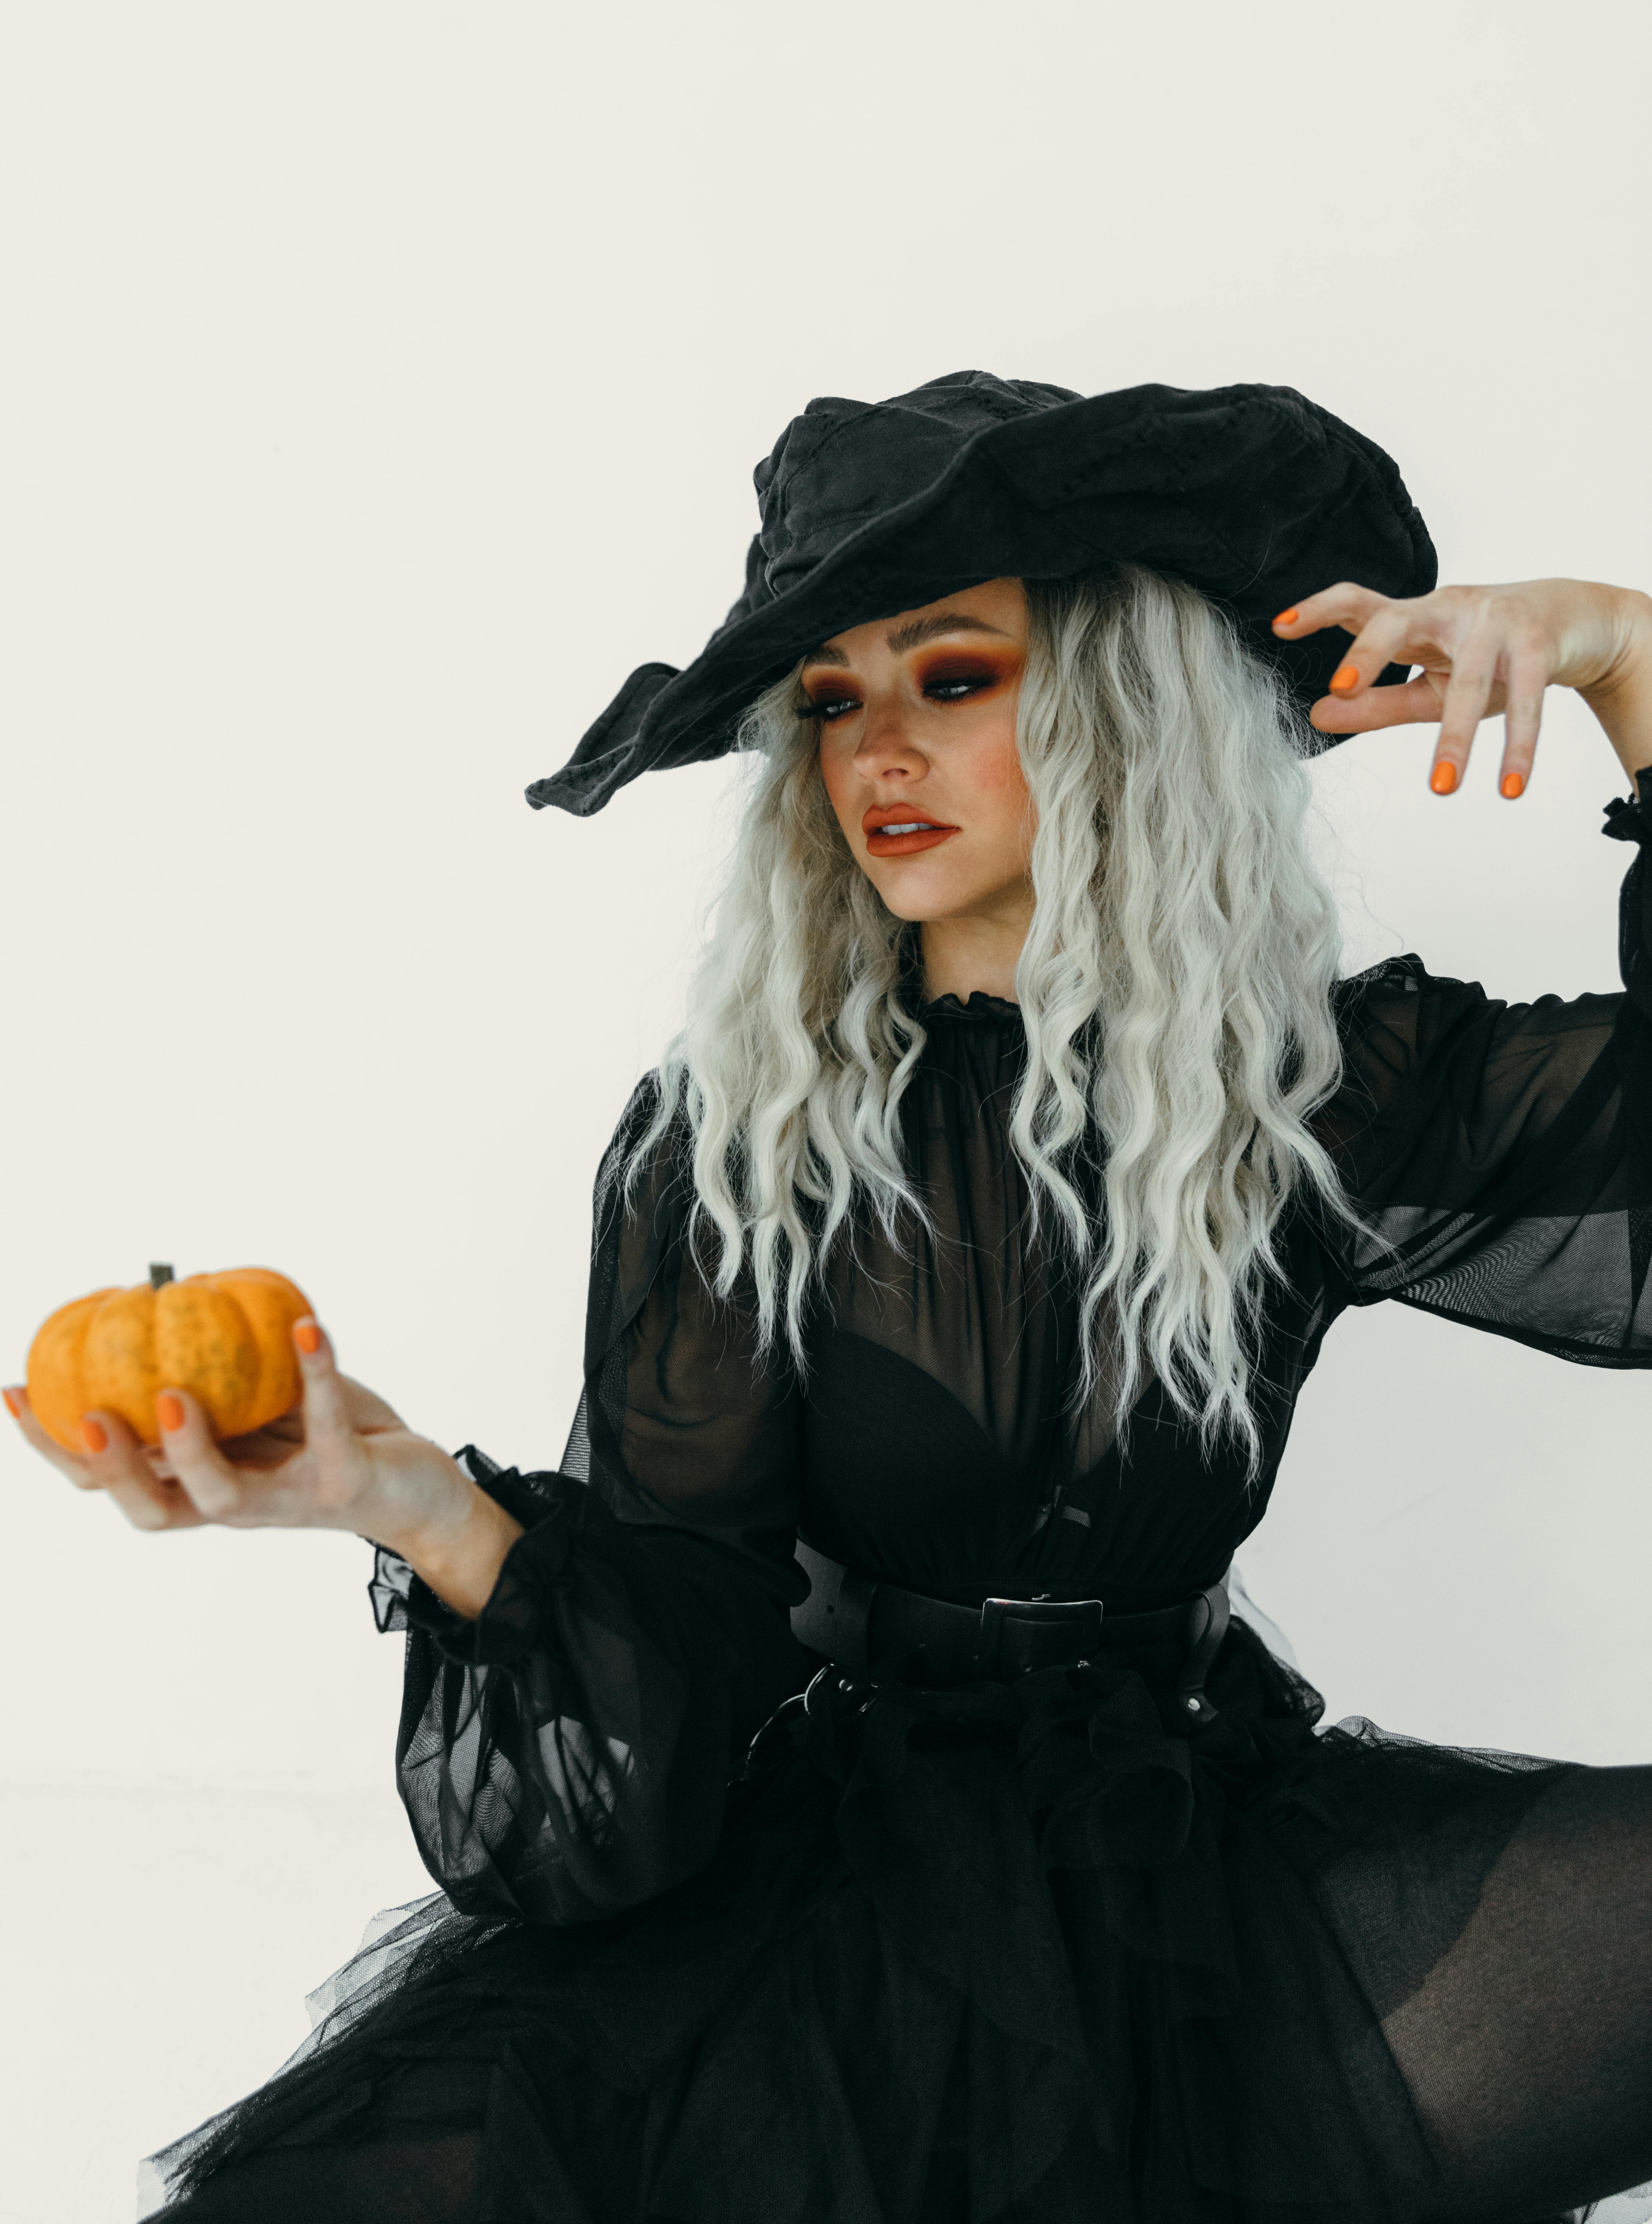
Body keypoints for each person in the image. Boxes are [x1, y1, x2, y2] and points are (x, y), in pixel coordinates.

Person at [11, 372, 1652, 2224]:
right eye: (833, 702)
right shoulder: (744, 1131)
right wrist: (426, 1513)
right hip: (816, 1873)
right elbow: (669, 1665)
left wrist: (1621, 656)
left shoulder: (1314, 1086)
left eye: (953, 679)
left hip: (1202, 1873)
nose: (875, 752)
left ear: (1126, 701)